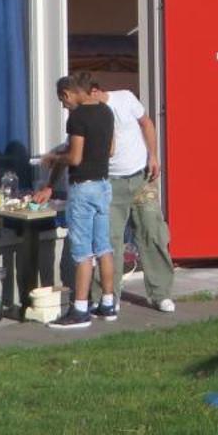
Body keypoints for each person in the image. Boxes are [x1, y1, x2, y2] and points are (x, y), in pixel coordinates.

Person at [84, 74, 176, 314]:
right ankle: (107, 296)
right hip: (111, 183)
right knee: (110, 240)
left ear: (95, 91)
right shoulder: (86, 115)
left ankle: (161, 294)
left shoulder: (125, 98)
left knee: (152, 233)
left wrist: (153, 155)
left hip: (141, 178)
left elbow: (146, 123)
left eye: (85, 97)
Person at [41, 76, 117, 328]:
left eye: (62, 101)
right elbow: (111, 149)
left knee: (82, 251)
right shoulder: (105, 110)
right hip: (104, 185)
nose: (64, 106)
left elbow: (74, 158)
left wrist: (54, 157)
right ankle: (108, 303)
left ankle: (80, 309)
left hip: (83, 188)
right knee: (104, 247)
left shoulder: (77, 117)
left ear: (67, 93)